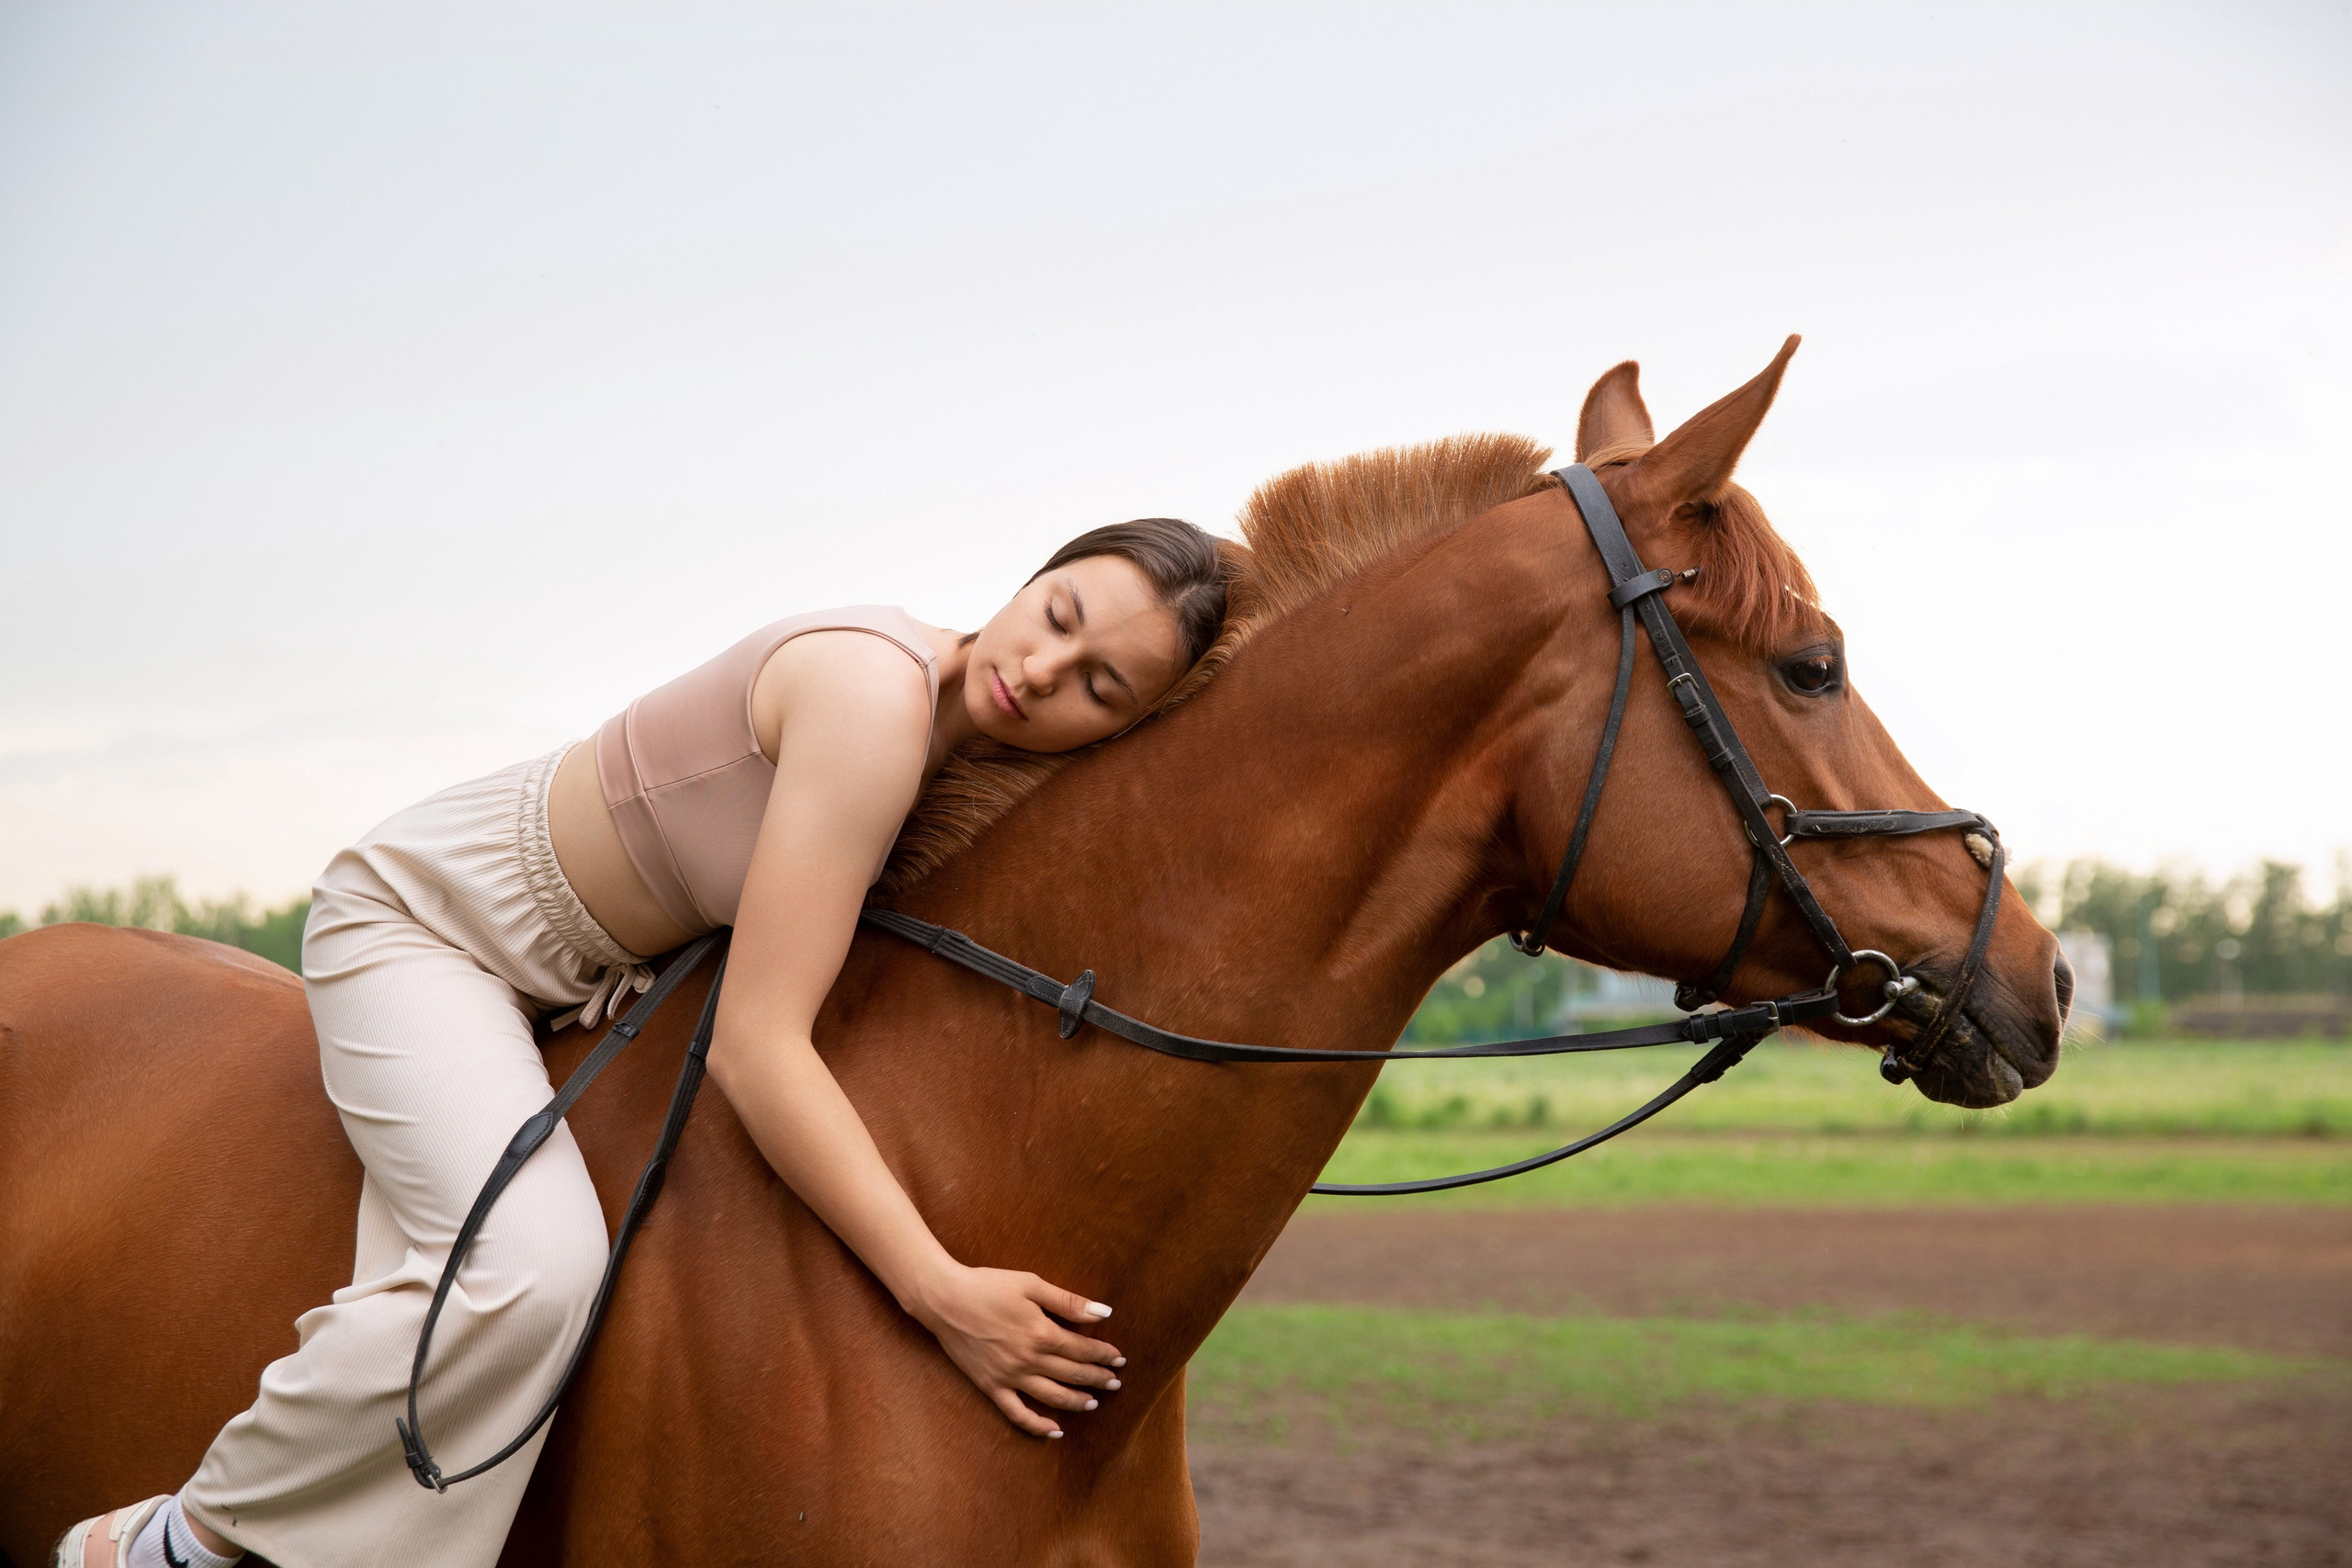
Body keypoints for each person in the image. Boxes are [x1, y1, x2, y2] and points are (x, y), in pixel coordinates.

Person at [58, 520, 1230, 1568]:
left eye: (1097, 686)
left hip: (579, 981)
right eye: (1059, 616)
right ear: (1034, 577)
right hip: (435, 929)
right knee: (531, 1268)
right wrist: (941, 1292)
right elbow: (759, 1046)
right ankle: (178, 1541)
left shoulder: (962, 759)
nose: (1040, 669)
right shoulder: (874, 700)